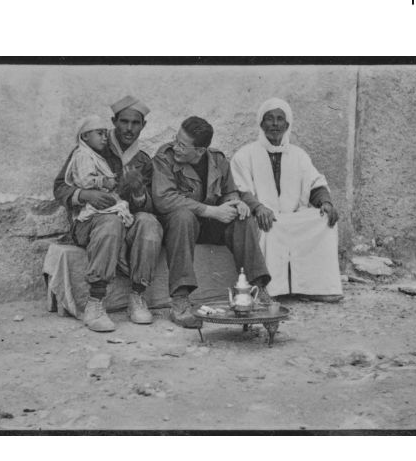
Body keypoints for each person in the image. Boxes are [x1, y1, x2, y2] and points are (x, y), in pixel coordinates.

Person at [53, 96, 163, 332]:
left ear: (143, 126)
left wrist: (139, 193)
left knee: (150, 223)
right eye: (124, 122)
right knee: (110, 222)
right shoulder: (91, 148)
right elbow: (60, 186)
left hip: (125, 218)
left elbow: (148, 206)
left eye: (136, 123)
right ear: (114, 122)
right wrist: (84, 195)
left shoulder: (143, 161)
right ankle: (95, 302)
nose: (129, 129)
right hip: (90, 224)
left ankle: (137, 296)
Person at [152, 116, 271, 328]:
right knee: (183, 216)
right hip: (179, 226)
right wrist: (211, 210)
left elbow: (229, 191)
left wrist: (235, 203)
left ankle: (258, 289)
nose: (175, 147)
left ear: (200, 151)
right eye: (175, 140)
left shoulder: (218, 161)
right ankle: (180, 300)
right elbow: (164, 199)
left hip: (208, 225)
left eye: (182, 144)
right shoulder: (165, 157)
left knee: (242, 218)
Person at [230, 97, 343, 300]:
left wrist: (325, 202)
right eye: (269, 119)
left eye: (280, 119)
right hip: (264, 217)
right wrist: (258, 207)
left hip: (292, 217)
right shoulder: (245, 154)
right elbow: (241, 189)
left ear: (287, 124)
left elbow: (315, 183)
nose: (275, 124)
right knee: (267, 226)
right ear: (261, 123)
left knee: (325, 220)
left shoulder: (299, 155)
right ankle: (272, 290)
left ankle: (317, 289)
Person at [65, 115, 133, 228]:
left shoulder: (96, 155)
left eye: (106, 134)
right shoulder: (83, 155)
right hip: (92, 207)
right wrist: (104, 181)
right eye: (100, 134)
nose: (105, 138)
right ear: (85, 136)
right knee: (113, 222)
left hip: (104, 202)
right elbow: (85, 180)